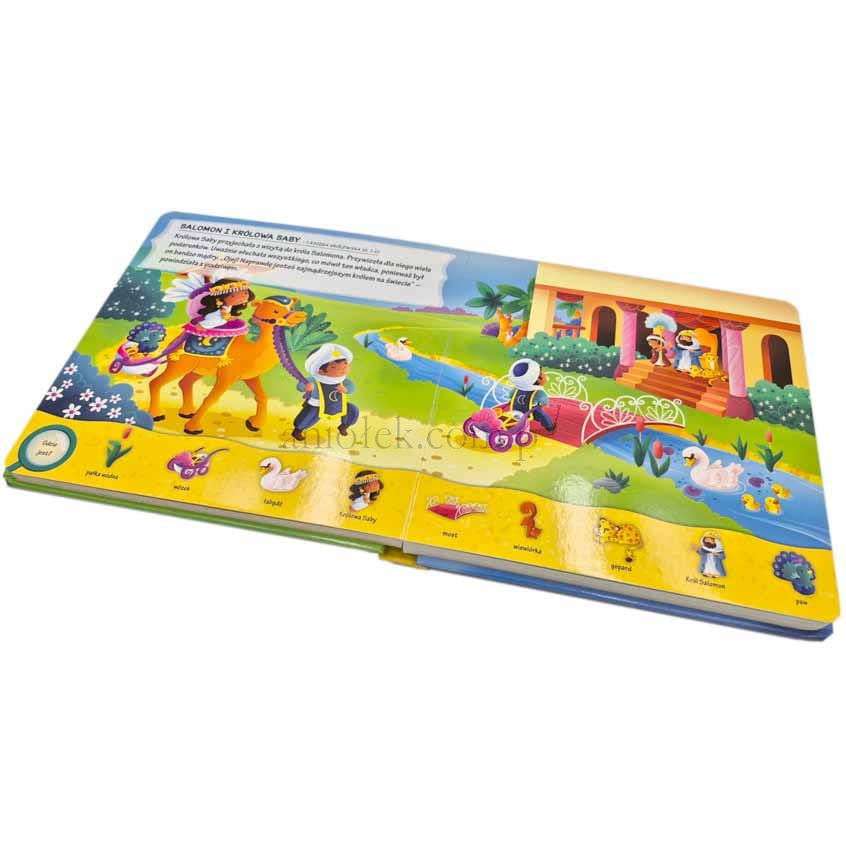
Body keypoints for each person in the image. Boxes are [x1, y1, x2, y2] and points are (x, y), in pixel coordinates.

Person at [292, 343, 359, 441]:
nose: (343, 368)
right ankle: (298, 430)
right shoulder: (315, 380)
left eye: (345, 363)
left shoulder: (342, 380)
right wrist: (306, 387)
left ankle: (344, 426)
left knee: (352, 410)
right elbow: (300, 386)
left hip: (338, 403)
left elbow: (351, 387)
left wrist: (346, 389)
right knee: (309, 416)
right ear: (320, 371)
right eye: (333, 367)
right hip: (317, 404)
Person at [506, 359, 554, 432]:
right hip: (531, 410)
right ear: (538, 379)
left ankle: (514, 424)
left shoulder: (516, 389)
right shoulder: (538, 392)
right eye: (542, 373)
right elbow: (544, 400)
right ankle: (549, 426)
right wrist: (545, 404)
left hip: (516, 408)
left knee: (516, 416)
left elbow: (511, 395)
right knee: (543, 416)